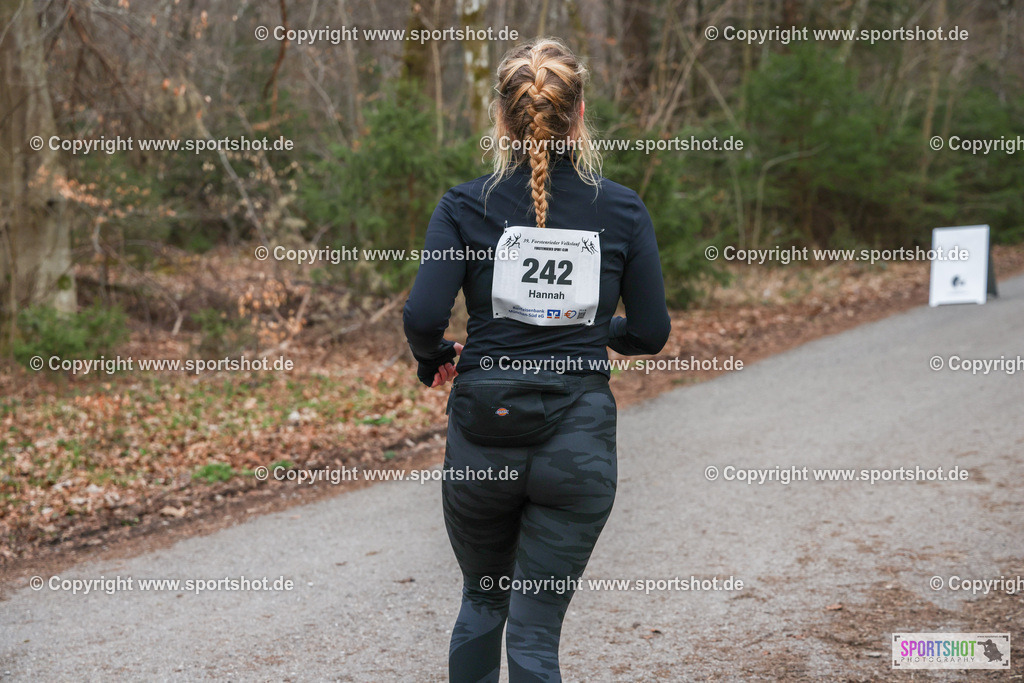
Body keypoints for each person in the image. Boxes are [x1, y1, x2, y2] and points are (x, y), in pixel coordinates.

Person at [403, 38, 671, 682]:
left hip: (482, 428)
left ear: (502, 119)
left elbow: (422, 316)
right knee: (534, 634)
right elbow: (652, 331)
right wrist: (594, 328)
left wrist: (434, 357)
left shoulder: (463, 205)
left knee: (482, 599)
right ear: (579, 115)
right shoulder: (623, 208)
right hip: (576, 440)